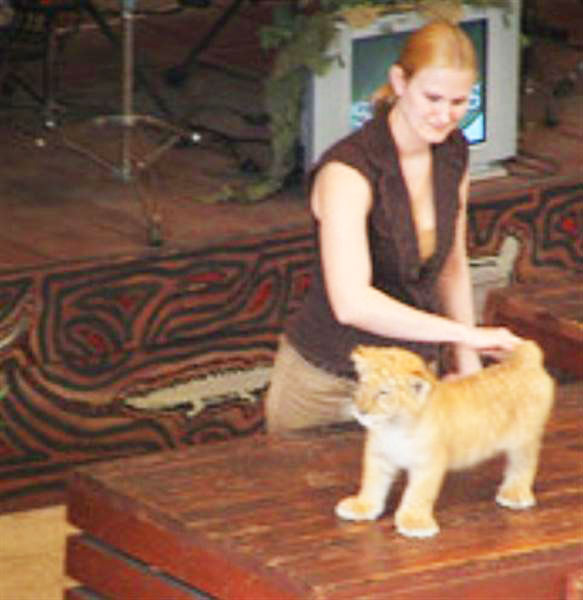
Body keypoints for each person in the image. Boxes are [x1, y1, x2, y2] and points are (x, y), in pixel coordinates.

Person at [265, 19, 521, 433]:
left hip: (411, 378)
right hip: (327, 384)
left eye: (460, 102)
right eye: (432, 97)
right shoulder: (347, 171)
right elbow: (352, 302)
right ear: (399, 82)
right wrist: (465, 334)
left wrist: (468, 362)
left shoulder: (453, 152)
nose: (444, 116)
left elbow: (451, 264)